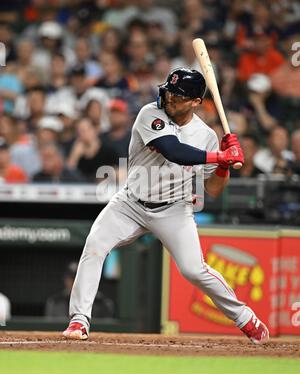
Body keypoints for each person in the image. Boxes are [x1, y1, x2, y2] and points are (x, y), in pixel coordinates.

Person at [63, 67, 269, 344]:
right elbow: (174, 151)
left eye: (178, 95)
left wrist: (224, 166)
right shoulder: (151, 113)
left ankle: (245, 318)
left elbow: (214, 189)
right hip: (131, 203)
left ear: (196, 102)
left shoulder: (205, 135)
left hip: (175, 209)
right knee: (95, 245)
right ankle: (79, 320)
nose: (169, 98)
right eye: (169, 91)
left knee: (194, 270)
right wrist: (219, 155)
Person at [45, 262, 115, 319]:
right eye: (72, 279)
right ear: (65, 279)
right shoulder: (55, 301)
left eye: (79, 279)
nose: (75, 283)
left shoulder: (102, 302)